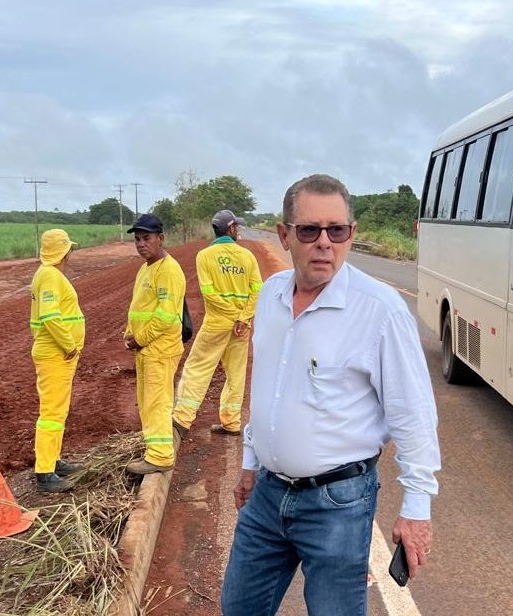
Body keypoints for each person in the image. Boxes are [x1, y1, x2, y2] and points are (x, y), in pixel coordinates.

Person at [221, 174, 441, 615]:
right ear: (284, 236)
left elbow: (413, 414)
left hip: (336, 504)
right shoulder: (270, 297)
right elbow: (266, 388)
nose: (324, 242)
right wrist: (249, 462)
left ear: (350, 235)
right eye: (309, 230)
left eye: (336, 230)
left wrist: (416, 508)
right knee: (239, 607)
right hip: (266, 495)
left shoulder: (379, 309)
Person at [172, 209, 263, 439]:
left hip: (217, 323)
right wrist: (242, 318)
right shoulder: (247, 257)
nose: (239, 231)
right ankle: (231, 422)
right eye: (237, 227)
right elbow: (257, 291)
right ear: (230, 229)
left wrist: (233, 316)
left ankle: (181, 420)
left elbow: (209, 293)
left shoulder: (204, 256)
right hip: (240, 327)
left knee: (197, 369)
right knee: (236, 373)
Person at [124, 213, 187, 474]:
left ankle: (160, 456)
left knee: (157, 402)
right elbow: (142, 306)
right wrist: (129, 331)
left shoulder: (169, 271)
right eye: (137, 239)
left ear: (160, 238)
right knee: (149, 401)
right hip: (148, 349)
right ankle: (154, 448)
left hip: (159, 350)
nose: (141, 244)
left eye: (146, 238)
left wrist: (139, 338)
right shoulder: (146, 268)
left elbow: (166, 317)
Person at [30, 229, 86, 493]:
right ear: (64, 251)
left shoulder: (47, 275)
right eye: (69, 249)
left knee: (58, 410)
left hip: (55, 353)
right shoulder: (51, 276)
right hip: (56, 354)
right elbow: (50, 317)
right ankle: (44, 472)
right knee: (52, 412)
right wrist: (69, 346)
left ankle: (53, 460)